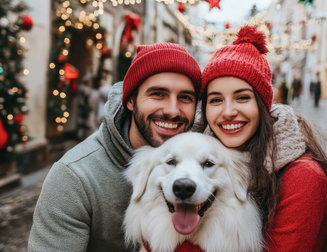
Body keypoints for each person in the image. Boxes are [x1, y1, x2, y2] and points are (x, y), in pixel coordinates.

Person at [28, 42, 202, 251]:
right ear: (130, 100)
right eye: (158, 94)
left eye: (185, 98)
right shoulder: (74, 177)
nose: (173, 110)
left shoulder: (207, 162)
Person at [200, 26, 327, 251]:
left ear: (263, 105)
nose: (228, 111)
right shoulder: (200, 159)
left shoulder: (303, 177)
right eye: (215, 100)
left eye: (242, 98)